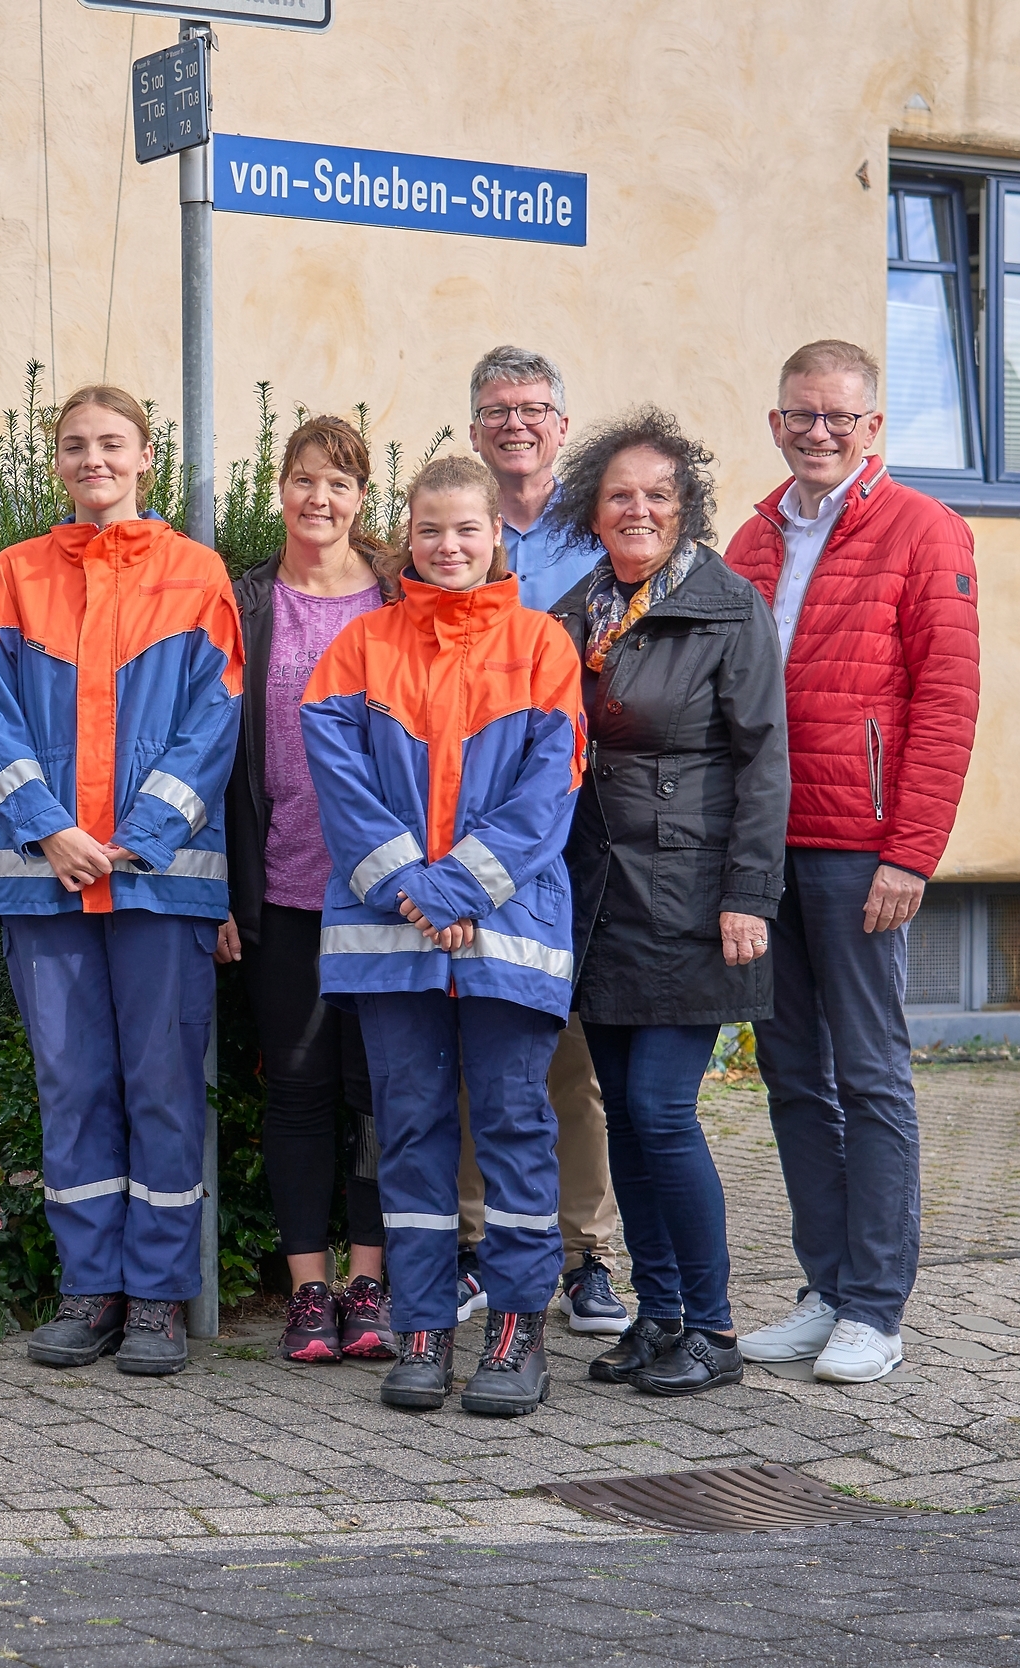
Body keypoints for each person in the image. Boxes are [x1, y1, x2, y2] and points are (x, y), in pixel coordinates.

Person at [0, 384, 242, 1378]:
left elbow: (214, 722)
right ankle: (89, 1292)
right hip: (44, 885)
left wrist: (134, 838)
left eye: (111, 443)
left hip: (157, 886)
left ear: (144, 456)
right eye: (76, 445)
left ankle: (159, 1300)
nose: (94, 459)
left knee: (163, 1088)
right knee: (71, 1087)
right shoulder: (11, 577)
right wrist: (50, 833)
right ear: (56, 463)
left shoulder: (195, 575)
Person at [303, 455, 583, 1417]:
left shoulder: (545, 647)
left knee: (513, 1132)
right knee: (412, 1139)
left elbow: (550, 793)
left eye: (467, 529)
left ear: (495, 535)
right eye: (431, 530)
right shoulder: (358, 648)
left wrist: (452, 888)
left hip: (505, 936)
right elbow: (341, 790)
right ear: (406, 536)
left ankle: (515, 1331)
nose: (450, 546)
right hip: (396, 942)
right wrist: (415, 893)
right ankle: (422, 1327)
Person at [725, 340, 981, 1384]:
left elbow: (947, 706)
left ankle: (876, 1306)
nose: (817, 432)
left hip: (860, 849)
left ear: (873, 427)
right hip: (762, 852)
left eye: (837, 416)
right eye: (799, 415)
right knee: (791, 1077)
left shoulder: (926, 532)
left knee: (870, 1076)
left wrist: (909, 853)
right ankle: (823, 1289)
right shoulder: (750, 536)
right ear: (775, 423)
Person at [549, 410, 788, 1397]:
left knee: (658, 1110)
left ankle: (716, 1328)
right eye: (618, 496)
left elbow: (762, 757)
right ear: (592, 514)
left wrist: (748, 893)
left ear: (683, 505)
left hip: (692, 899)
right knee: (625, 1122)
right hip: (601, 899)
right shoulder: (578, 610)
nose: (637, 508)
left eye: (656, 493)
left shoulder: (727, 607)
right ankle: (660, 1318)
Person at [217, 415, 396, 1365]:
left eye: (337, 482)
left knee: (376, 1094)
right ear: (279, 488)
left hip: (385, 894)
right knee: (294, 1090)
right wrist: (224, 897)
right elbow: (214, 756)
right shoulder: (247, 600)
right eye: (302, 480)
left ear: (362, 497)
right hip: (281, 888)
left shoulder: (401, 595)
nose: (317, 499)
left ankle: (370, 1284)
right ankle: (308, 1294)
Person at [460, 345, 628, 1340]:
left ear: (562, 426)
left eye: (531, 408)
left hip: (581, 829)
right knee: (476, 1045)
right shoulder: (454, 528)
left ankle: (586, 1256)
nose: (513, 424)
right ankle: (479, 1249)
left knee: (572, 1061)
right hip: (469, 832)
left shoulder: (600, 534)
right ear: (473, 427)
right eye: (494, 410)